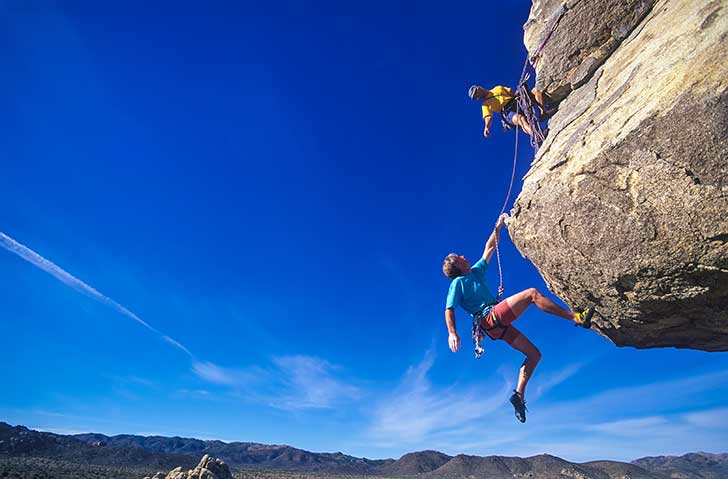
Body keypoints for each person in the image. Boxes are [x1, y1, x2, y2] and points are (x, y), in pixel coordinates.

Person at [442, 214, 594, 423]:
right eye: (459, 257)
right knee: (532, 294)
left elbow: (490, 248)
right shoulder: (458, 283)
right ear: (457, 265)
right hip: (489, 318)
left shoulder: (475, 271)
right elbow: (449, 309)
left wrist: (499, 226)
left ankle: (519, 396)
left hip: (495, 327)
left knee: (534, 355)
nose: (463, 255)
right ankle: (576, 317)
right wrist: (452, 333)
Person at [468, 85, 553, 139]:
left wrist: (519, 94)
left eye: (477, 93)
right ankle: (537, 135)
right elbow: (488, 116)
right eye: (476, 96)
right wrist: (487, 127)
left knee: (535, 91)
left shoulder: (498, 88)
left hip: (516, 101)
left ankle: (543, 113)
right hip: (507, 112)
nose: (478, 96)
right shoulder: (485, 105)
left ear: (479, 88)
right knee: (520, 119)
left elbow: (511, 93)